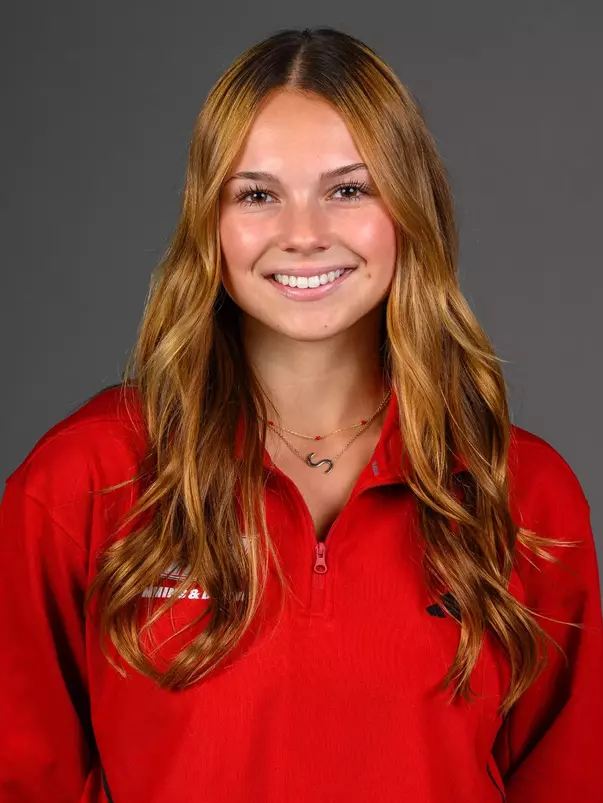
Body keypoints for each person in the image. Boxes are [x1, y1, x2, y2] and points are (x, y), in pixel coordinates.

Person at [0, 25, 601, 803]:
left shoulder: (521, 493)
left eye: (348, 189)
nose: (304, 235)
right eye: (256, 194)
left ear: (409, 208)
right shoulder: (83, 479)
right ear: (207, 221)